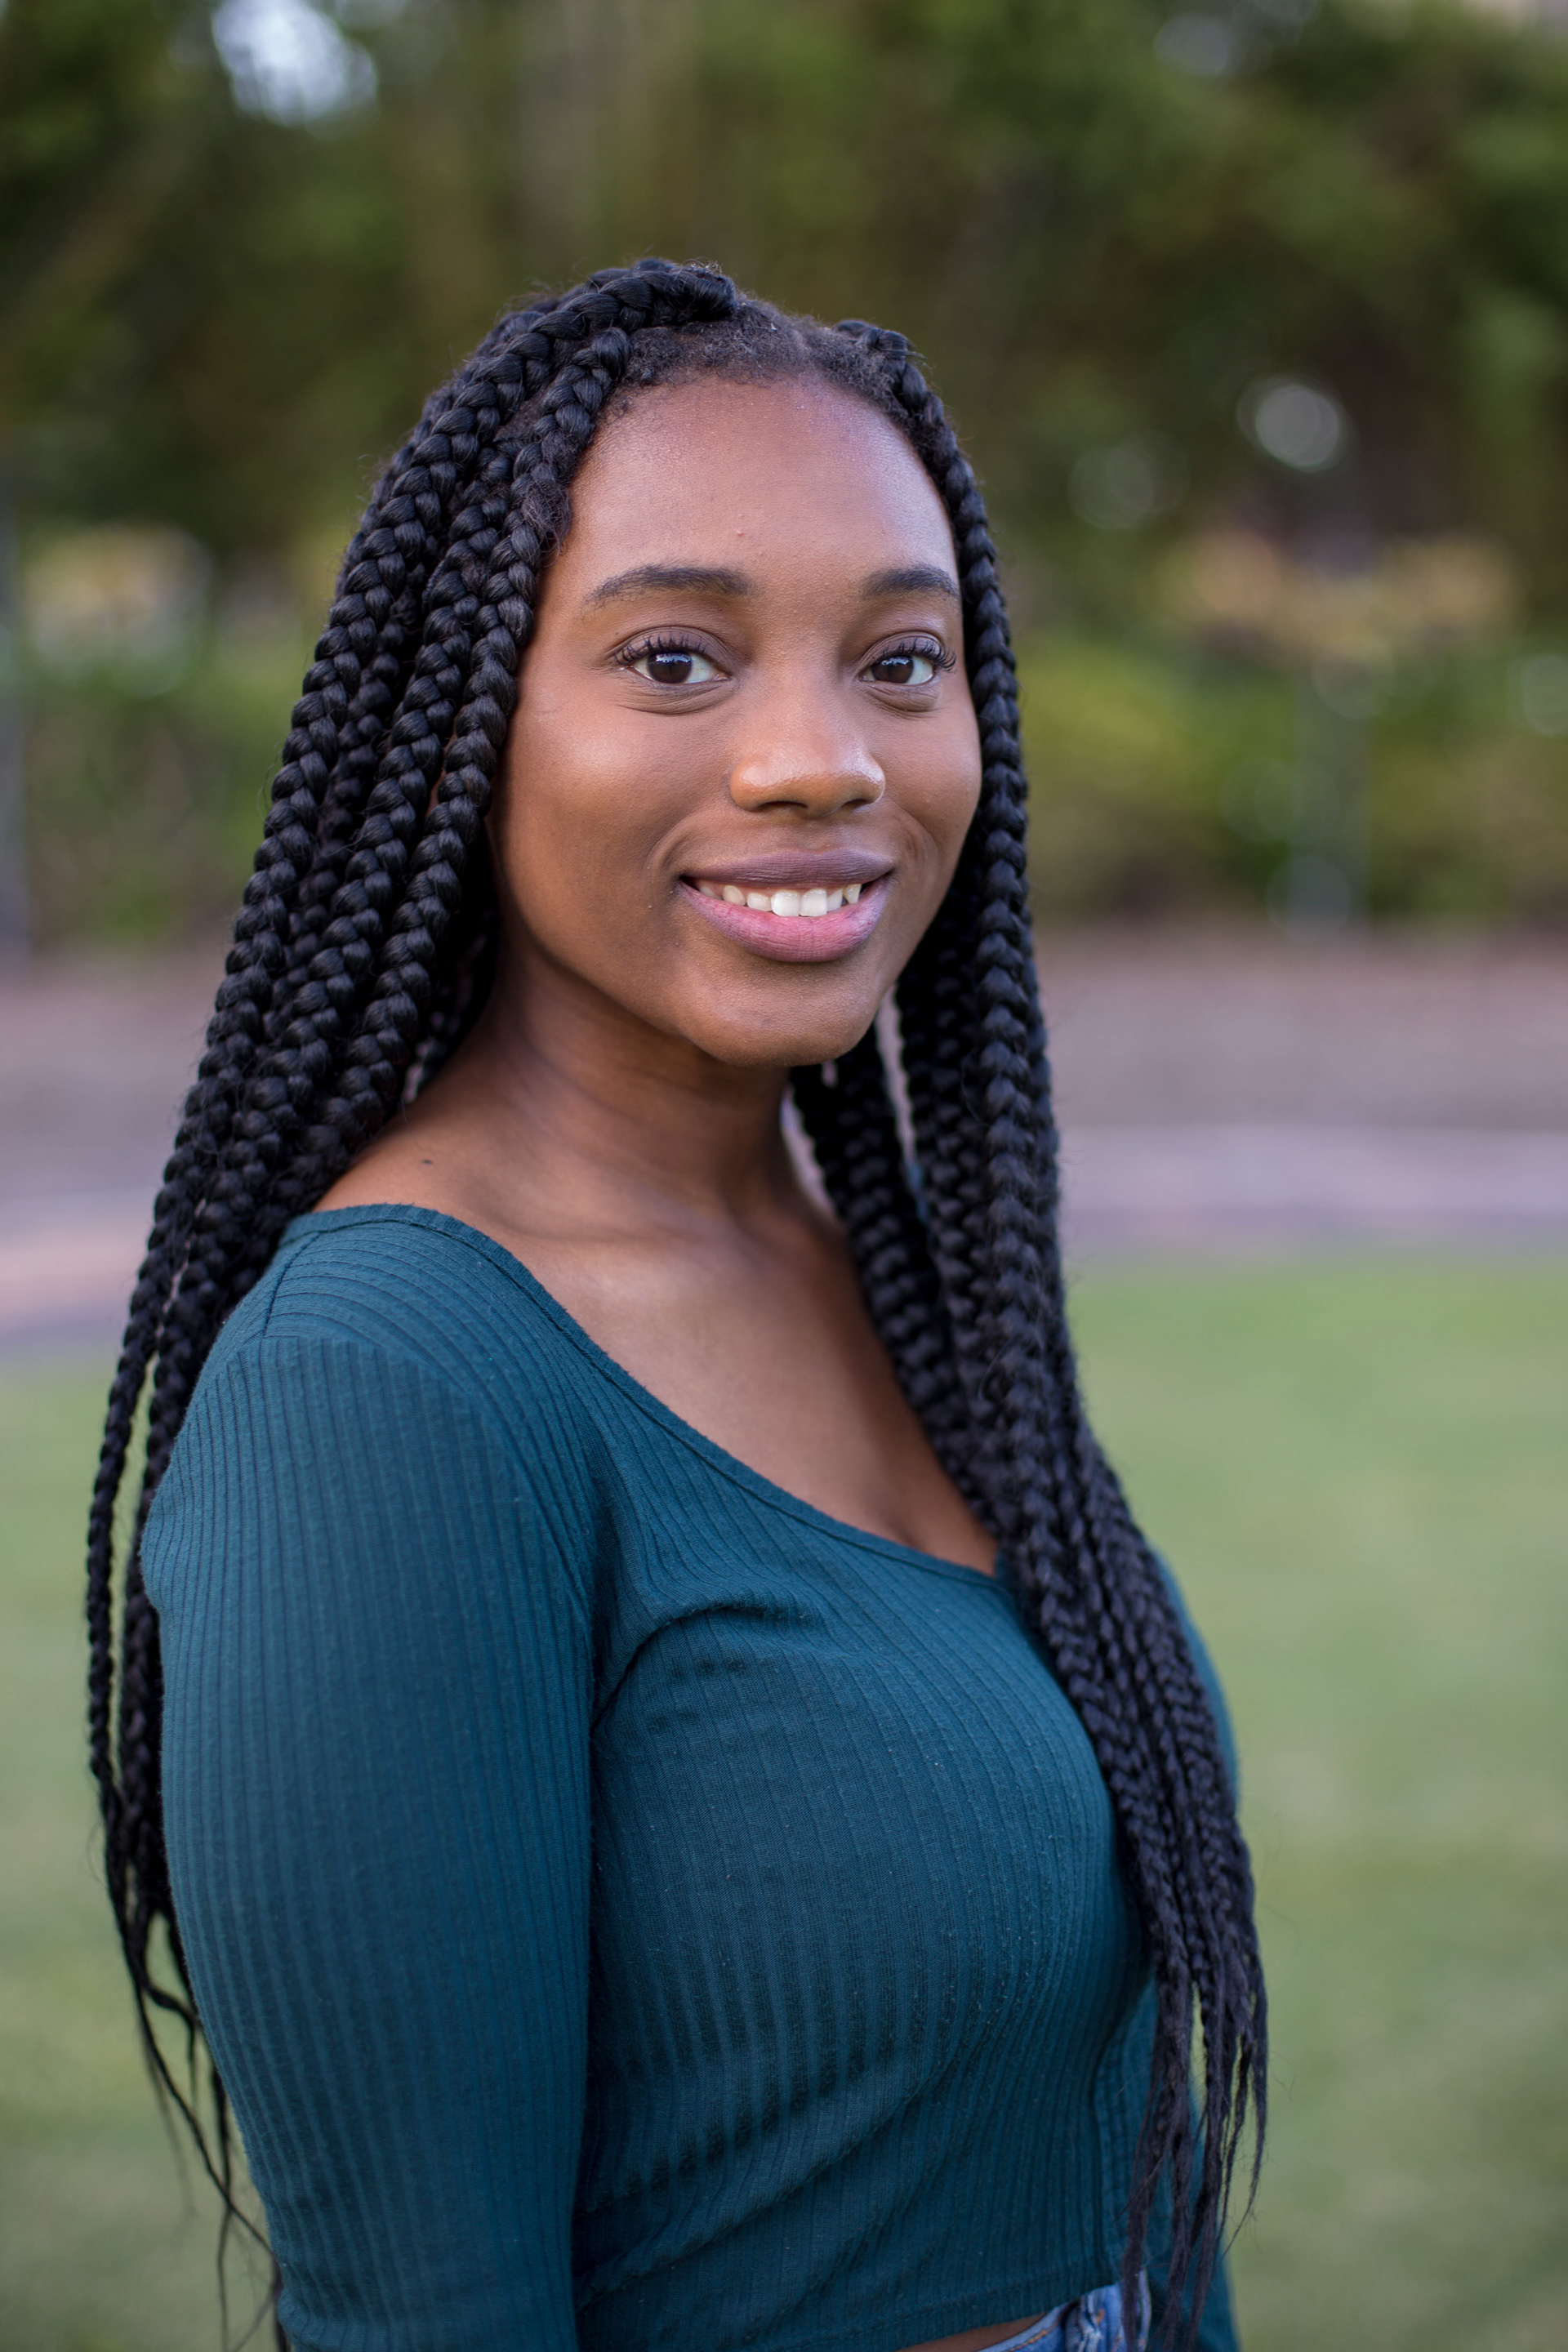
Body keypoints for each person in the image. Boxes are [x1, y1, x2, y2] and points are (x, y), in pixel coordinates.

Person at [87, 261, 1264, 2352]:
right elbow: (419, 2317)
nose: (821, 760)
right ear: (468, 718)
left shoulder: (895, 1270)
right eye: (674, 656)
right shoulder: (390, 1388)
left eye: (900, 659)